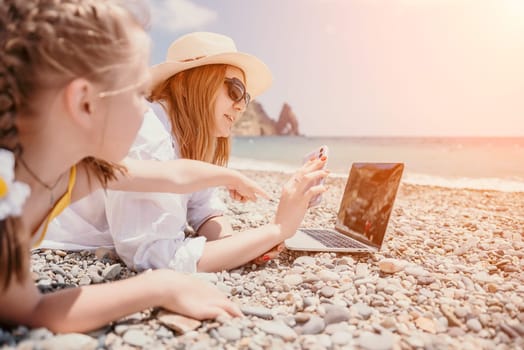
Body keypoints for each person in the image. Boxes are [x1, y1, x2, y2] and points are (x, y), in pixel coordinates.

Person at [0, 0, 328, 332]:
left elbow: (176, 175)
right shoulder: (7, 208)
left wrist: (232, 180)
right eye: (138, 91)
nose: (147, 106)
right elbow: (32, 309)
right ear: (84, 103)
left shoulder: (80, 174)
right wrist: (276, 230)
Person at [43, 32, 330, 273]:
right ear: (186, 85)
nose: (242, 106)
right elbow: (154, 257)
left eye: (246, 97)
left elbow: (202, 209)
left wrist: (245, 246)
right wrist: (277, 229)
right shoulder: (147, 134)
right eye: (235, 90)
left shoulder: (186, 137)